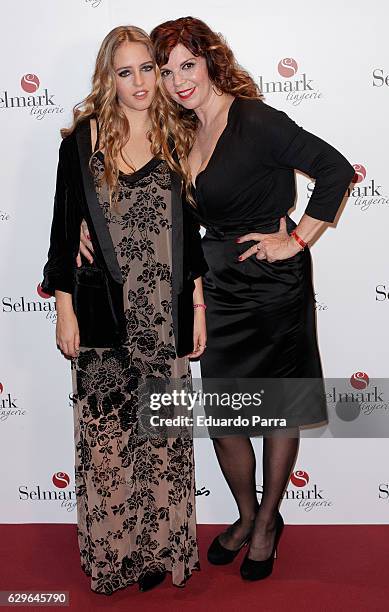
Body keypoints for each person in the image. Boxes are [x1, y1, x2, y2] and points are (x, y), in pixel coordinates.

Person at [148, 16, 355, 581]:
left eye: (186, 66)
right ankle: (244, 515)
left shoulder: (256, 119)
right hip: (217, 287)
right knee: (226, 414)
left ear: (211, 61)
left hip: (271, 288)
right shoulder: (185, 131)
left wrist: (296, 239)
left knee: (277, 405)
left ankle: (267, 524)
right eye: (165, 72)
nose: (176, 82)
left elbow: (335, 171)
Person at [41, 25, 208, 595]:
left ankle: (161, 550)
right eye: (126, 71)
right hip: (104, 312)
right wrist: (65, 309)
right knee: (108, 444)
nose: (140, 83)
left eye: (148, 70)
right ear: (108, 79)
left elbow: (190, 232)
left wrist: (199, 305)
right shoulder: (82, 142)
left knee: (163, 441)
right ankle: (116, 556)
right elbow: (63, 235)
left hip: (166, 314)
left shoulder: (178, 134)